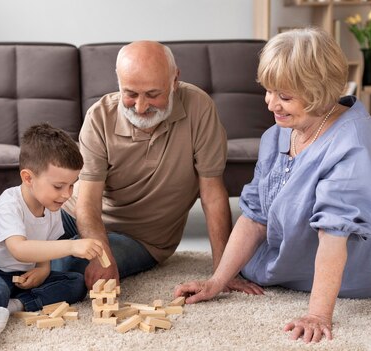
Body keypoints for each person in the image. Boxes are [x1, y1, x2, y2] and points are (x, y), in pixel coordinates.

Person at [174, 27, 371, 343]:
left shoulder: (351, 145)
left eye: (284, 96)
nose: (270, 103)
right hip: (289, 259)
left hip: (350, 276)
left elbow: (334, 238)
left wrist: (317, 313)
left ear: (319, 92)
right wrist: (218, 280)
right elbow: (254, 215)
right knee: (247, 262)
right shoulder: (279, 133)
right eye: (268, 91)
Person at [52, 40, 258, 293]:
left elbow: (212, 194)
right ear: (118, 80)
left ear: (174, 80)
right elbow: (87, 203)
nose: (140, 106)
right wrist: (100, 254)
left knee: (65, 264)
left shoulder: (200, 108)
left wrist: (223, 271)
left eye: (152, 94)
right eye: (130, 94)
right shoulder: (99, 116)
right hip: (77, 216)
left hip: (141, 240)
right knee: (11, 243)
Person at [0, 122, 103, 351]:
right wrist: (71, 247)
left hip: (19, 277)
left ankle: (13, 306)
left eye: (72, 186)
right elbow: (19, 249)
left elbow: (45, 245)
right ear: (28, 178)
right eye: (58, 186)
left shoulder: (52, 206)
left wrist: (43, 269)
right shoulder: (9, 204)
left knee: (75, 283)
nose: (67, 195)